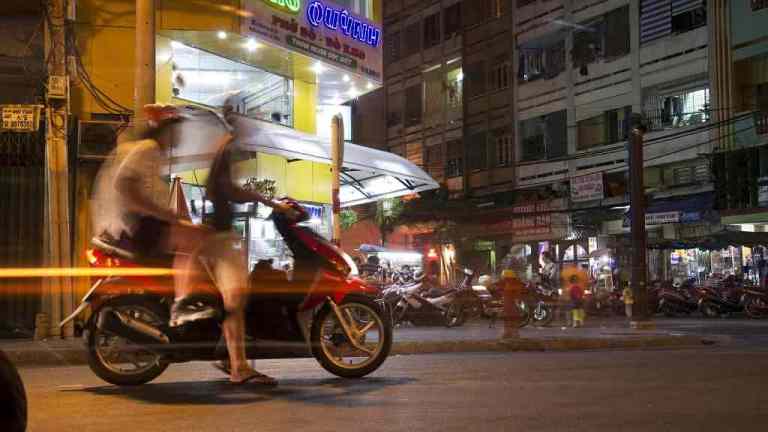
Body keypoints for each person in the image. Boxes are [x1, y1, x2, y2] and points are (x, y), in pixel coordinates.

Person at [91, 104, 215, 326]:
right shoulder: (148, 148)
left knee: (192, 238)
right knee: (196, 238)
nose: (179, 138)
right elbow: (124, 185)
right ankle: (183, 303)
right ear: (165, 131)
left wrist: (171, 217)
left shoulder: (150, 153)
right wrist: (165, 214)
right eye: (176, 132)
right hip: (136, 226)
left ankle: (180, 301)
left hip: (135, 225)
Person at [202, 122, 296, 385]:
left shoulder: (221, 153)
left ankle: (229, 357)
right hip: (221, 238)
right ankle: (239, 367)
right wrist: (268, 201)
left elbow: (227, 189)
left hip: (217, 236)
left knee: (232, 300)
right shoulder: (226, 151)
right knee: (235, 299)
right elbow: (231, 190)